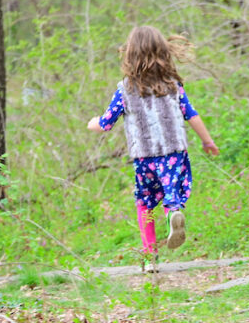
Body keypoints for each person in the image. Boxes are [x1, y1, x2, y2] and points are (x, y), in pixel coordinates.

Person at [87, 26, 220, 269]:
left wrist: (92, 123)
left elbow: (106, 123)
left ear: (130, 55)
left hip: (144, 158)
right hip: (173, 154)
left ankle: (150, 257)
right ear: (163, 52)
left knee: (145, 204)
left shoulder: (125, 89)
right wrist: (207, 141)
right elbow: (191, 115)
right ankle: (173, 211)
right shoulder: (172, 85)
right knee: (172, 192)